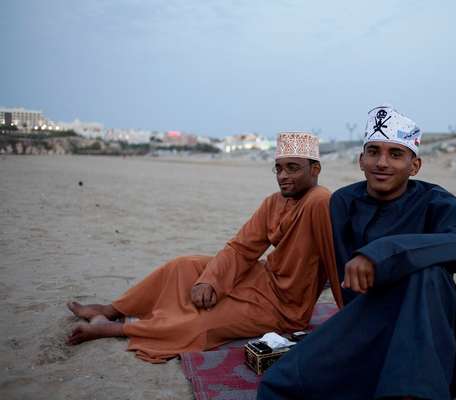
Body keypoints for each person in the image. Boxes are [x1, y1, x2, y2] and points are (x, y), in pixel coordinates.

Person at [258, 106, 456, 399]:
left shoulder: (435, 200)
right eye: (374, 152)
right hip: (374, 315)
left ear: (414, 166)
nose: (382, 163)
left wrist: (382, 253)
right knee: (281, 383)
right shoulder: (343, 202)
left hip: (435, 320)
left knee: (425, 272)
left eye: (396, 154)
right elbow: (349, 289)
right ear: (361, 160)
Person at [66, 132, 343, 363]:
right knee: (182, 266)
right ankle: (113, 308)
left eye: (292, 168)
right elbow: (240, 248)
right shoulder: (274, 201)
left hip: (285, 308)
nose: (283, 176)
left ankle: (113, 327)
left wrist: (349, 316)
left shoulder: (320, 200)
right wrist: (211, 281)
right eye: (279, 168)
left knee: (202, 324)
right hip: (262, 276)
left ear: (315, 169)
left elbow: (336, 259)